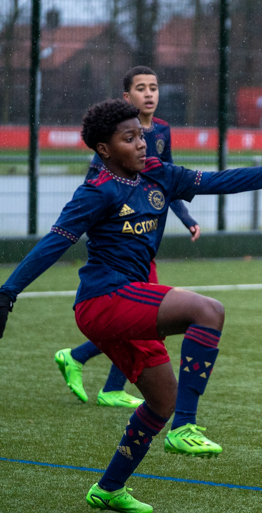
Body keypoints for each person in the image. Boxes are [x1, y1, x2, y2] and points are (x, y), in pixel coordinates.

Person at [0, 99, 262, 513]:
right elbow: (54, 242)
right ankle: (186, 427)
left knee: (160, 401)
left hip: (127, 303)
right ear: (104, 150)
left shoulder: (161, 175)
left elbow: (223, 181)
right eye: (129, 139)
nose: (141, 144)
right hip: (102, 301)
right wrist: (7, 294)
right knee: (208, 310)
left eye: (140, 135)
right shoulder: (96, 191)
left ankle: (109, 488)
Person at [54, 66, 202, 409]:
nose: (149, 94)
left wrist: (186, 216)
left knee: (147, 319)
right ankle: (89, 368)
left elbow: (169, 179)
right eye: (141, 88)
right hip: (124, 242)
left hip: (150, 234)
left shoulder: (162, 130)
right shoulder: (115, 136)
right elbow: (97, 186)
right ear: (127, 97)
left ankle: (99, 377)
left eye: (154, 87)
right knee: (148, 320)